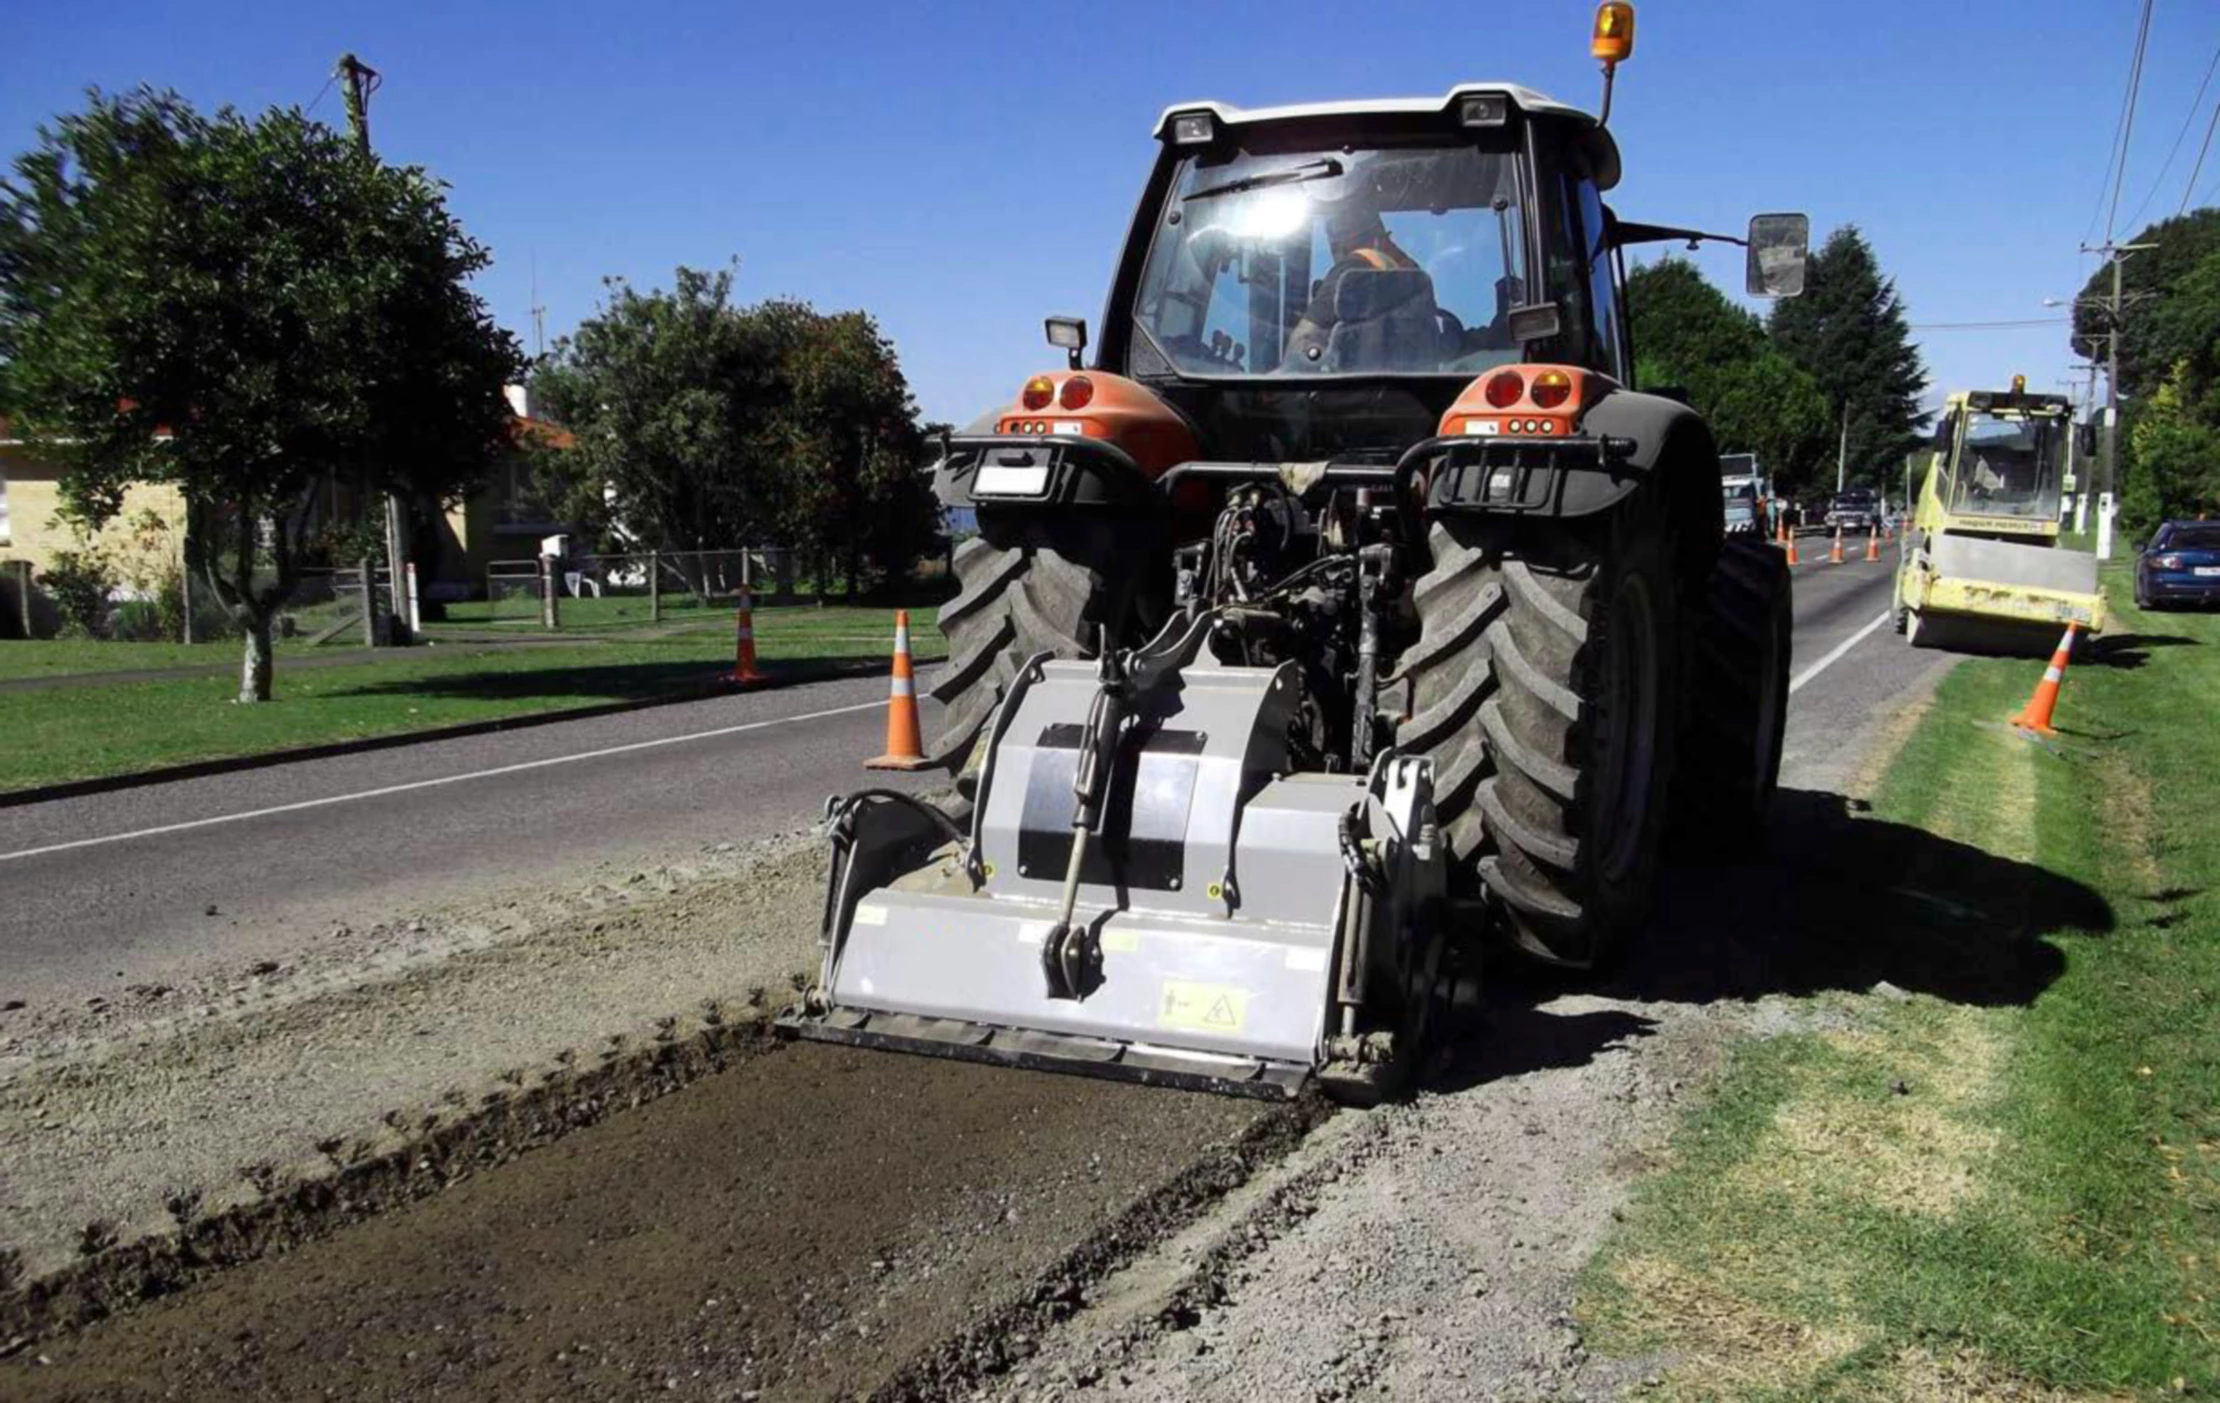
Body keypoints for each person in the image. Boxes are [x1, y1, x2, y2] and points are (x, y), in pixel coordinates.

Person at [1282, 201, 1425, 370]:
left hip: (1361, 388)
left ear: (1338, 244)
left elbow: (1302, 346)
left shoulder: (1353, 269)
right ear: (1381, 235)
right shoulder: (1412, 276)